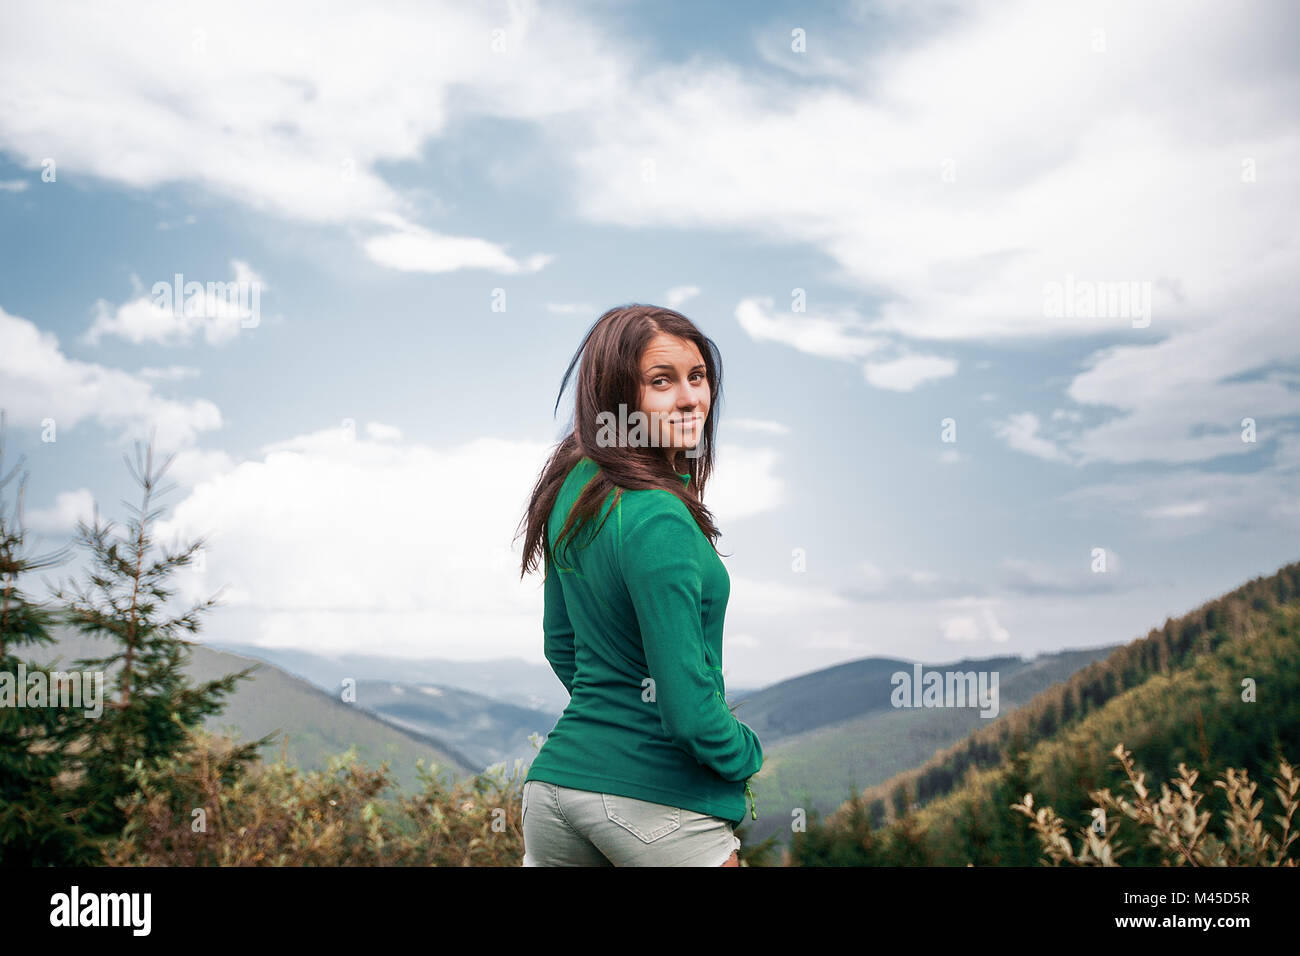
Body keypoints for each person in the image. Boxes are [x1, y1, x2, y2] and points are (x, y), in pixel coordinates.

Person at [515, 303, 762, 866]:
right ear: (619, 398)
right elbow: (689, 713)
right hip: (655, 805)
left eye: (696, 377)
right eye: (661, 381)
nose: (689, 398)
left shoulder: (575, 491)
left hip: (554, 794)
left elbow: (561, 645)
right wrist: (748, 753)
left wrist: (613, 722)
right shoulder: (659, 519)